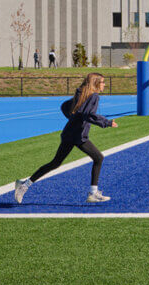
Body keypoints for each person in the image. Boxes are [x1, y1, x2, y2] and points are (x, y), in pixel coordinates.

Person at [14, 72, 117, 204]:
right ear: (96, 83)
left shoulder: (82, 94)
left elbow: (65, 107)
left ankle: (24, 185)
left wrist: (73, 120)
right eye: (103, 82)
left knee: (55, 163)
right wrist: (107, 123)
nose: (104, 85)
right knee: (98, 158)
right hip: (78, 136)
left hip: (70, 133)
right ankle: (92, 193)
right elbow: (88, 115)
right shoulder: (94, 96)